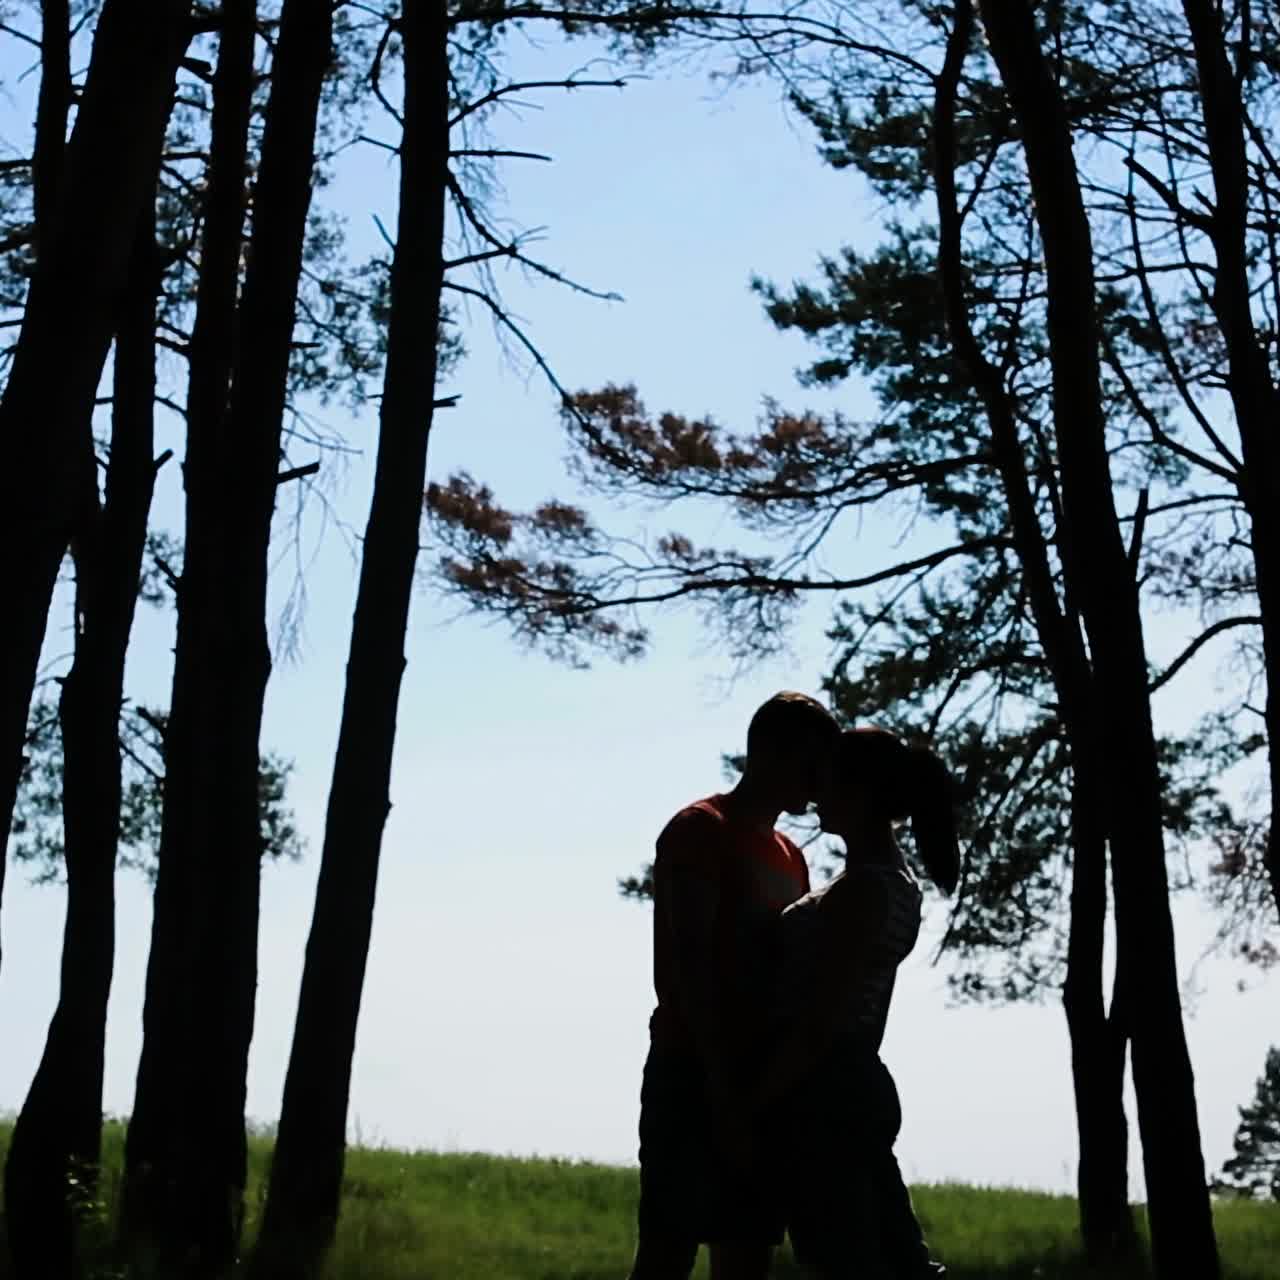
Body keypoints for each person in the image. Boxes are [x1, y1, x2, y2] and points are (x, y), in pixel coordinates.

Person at [628, 692, 840, 1280]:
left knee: (746, 1255)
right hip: (690, 1070)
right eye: (813, 764)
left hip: (760, 1081)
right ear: (774, 753)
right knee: (666, 1254)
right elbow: (692, 969)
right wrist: (722, 1088)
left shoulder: (791, 857)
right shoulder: (700, 829)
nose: (821, 783)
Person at [751, 726, 960, 1279]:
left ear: (861, 794)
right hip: (848, 1086)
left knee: (846, 1259)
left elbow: (825, 1014)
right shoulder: (888, 883)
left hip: (826, 1092)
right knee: (884, 1256)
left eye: (830, 779)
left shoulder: (866, 890)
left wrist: (760, 1094)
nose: (816, 790)